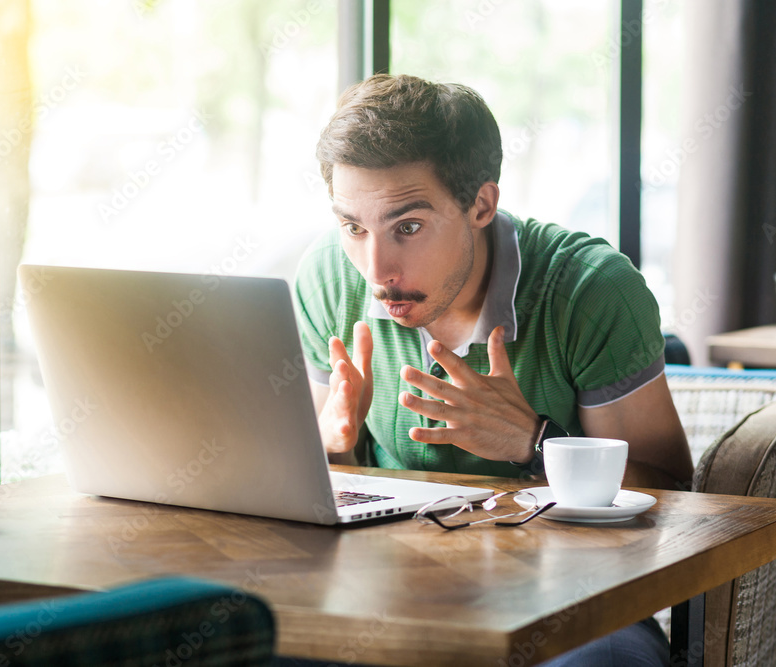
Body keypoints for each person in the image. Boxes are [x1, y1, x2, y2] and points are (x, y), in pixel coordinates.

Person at [292, 73, 692, 666]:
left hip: (572, 597)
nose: (377, 269)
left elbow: (675, 497)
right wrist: (331, 453)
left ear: (480, 204)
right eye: (354, 227)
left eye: (407, 227)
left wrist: (536, 443)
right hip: (387, 586)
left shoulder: (590, 290)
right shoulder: (327, 278)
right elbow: (316, 495)